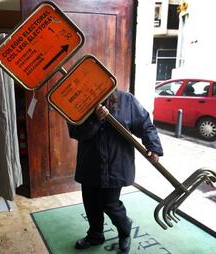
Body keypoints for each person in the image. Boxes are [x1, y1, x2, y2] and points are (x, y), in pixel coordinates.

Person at [68, 90, 163, 254]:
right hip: (90, 163)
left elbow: (145, 124)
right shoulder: (78, 102)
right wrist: (96, 119)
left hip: (116, 164)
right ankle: (95, 235)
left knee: (109, 204)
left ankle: (125, 230)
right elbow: (76, 133)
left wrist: (153, 146)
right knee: (91, 203)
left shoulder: (126, 100)